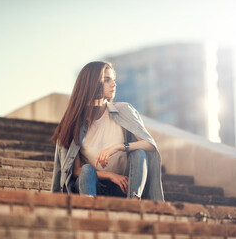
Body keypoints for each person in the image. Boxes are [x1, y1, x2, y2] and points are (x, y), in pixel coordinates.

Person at [51, 61, 164, 201]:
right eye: (107, 80)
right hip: (93, 186)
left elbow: (150, 144)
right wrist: (111, 176)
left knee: (139, 153)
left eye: (113, 80)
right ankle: (90, 210)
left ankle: (133, 205)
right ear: (92, 83)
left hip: (125, 186)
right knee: (87, 170)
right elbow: (75, 171)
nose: (114, 84)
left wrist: (117, 147)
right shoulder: (73, 123)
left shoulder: (123, 111)